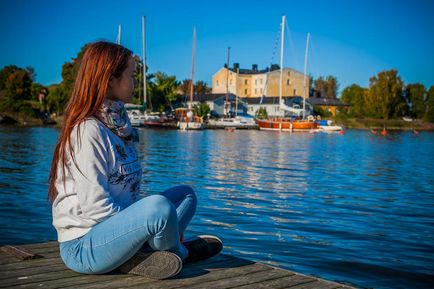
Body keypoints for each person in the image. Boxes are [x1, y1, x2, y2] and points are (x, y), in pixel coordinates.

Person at [48, 41, 222, 280]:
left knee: (186, 195)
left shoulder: (117, 126)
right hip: (84, 246)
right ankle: (181, 252)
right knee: (158, 208)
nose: (136, 82)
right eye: (131, 75)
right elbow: (96, 209)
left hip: (113, 232)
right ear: (110, 79)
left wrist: (140, 228)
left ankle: (142, 254)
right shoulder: (88, 130)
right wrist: (144, 224)